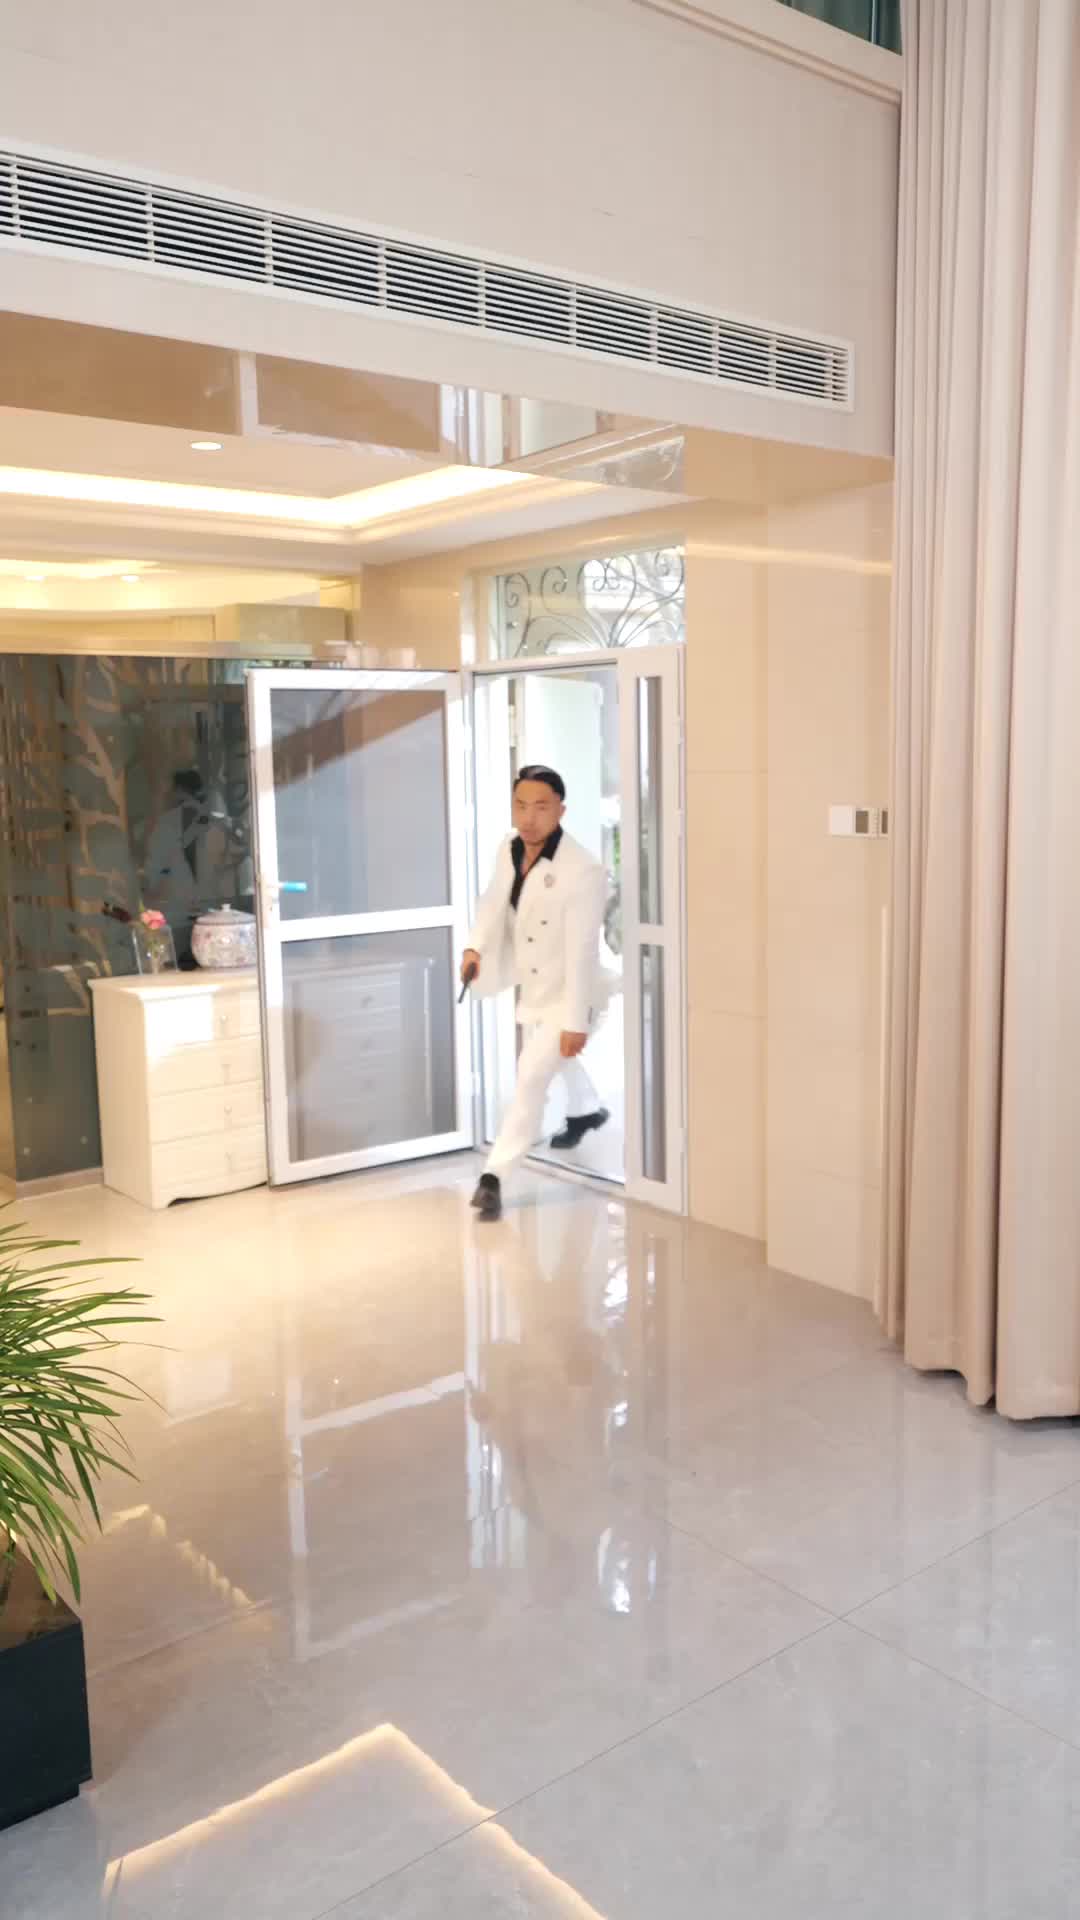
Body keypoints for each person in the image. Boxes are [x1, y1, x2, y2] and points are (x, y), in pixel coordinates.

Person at [462, 764, 610, 1221]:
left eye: (541, 807)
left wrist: (576, 1021)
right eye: (521, 806)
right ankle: (588, 1111)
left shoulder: (583, 870)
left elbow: (582, 952)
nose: (529, 817)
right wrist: (474, 947)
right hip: (535, 988)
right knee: (549, 1062)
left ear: (561, 810)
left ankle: (493, 1177)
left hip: (573, 993)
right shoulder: (509, 849)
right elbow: (492, 902)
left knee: (529, 1077)